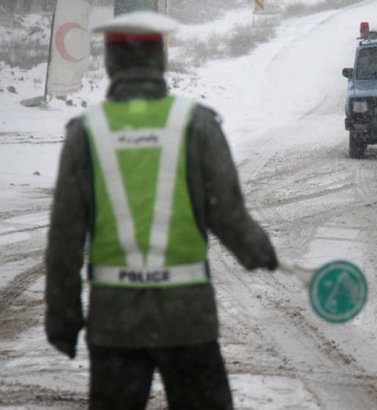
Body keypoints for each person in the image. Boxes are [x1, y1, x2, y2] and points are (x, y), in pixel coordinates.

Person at [44, 11, 278, 410]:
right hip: (187, 321)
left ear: (110, 61)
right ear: (161, 59)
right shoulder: (196, 124)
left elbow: (65, 237)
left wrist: (64, 317)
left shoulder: (87, 132)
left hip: (115, 325)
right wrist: (258, 250)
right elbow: (227, 213)